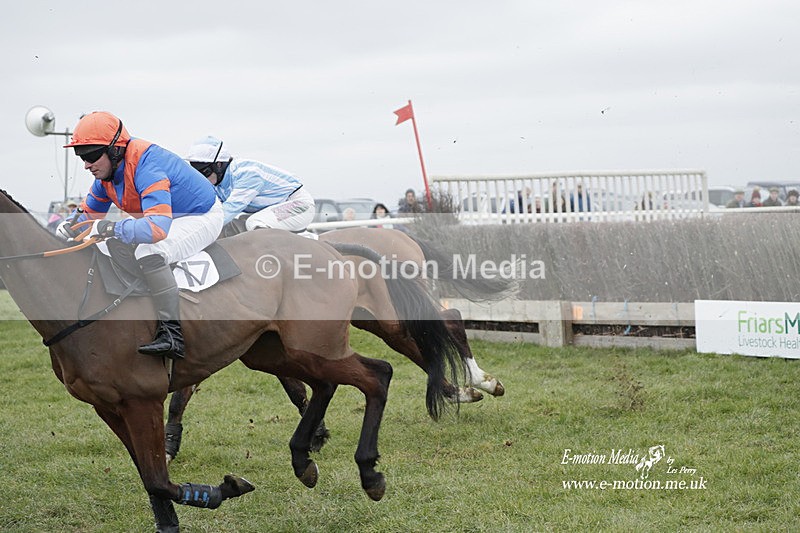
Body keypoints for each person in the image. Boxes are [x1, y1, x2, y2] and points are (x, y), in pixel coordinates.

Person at [57, 111, 223, 360]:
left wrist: (111, 228)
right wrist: (69, 226)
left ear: (114, 150)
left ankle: (172, 335)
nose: (86, 165)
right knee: (110, 245)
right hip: (169, 219)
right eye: (81, 156)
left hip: (201, 216)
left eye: (91, 156)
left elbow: (156, 229)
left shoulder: (148, 166)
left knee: (149, 249)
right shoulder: (107, 175)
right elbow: (88, 214)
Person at [184, 136, 314, 233]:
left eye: (204, 172)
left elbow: (230, 209)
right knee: (235, 225)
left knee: (255, 222)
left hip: (300, 205)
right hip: (272, 209)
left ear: (219, 164)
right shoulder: (218, 182)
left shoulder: (247, 174)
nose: (202, 179)